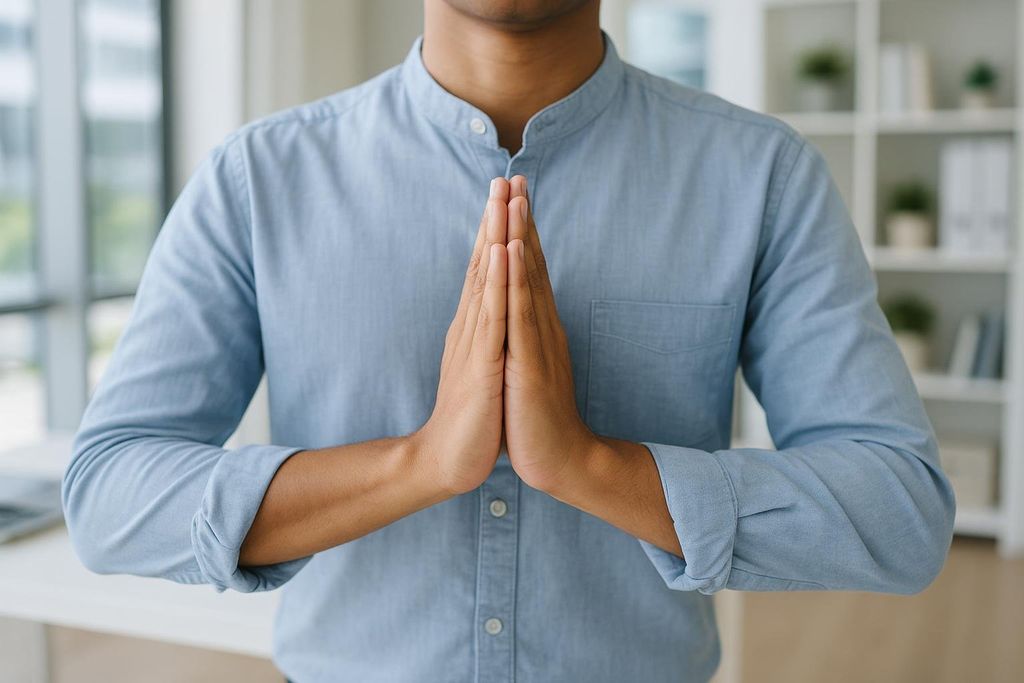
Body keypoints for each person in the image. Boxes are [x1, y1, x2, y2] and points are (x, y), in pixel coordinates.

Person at [62, 1, 956, 681]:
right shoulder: (258, 178)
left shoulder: (761, 177)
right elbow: (108, 494)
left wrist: (589, 465)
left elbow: (901, 509)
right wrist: (417, 465)